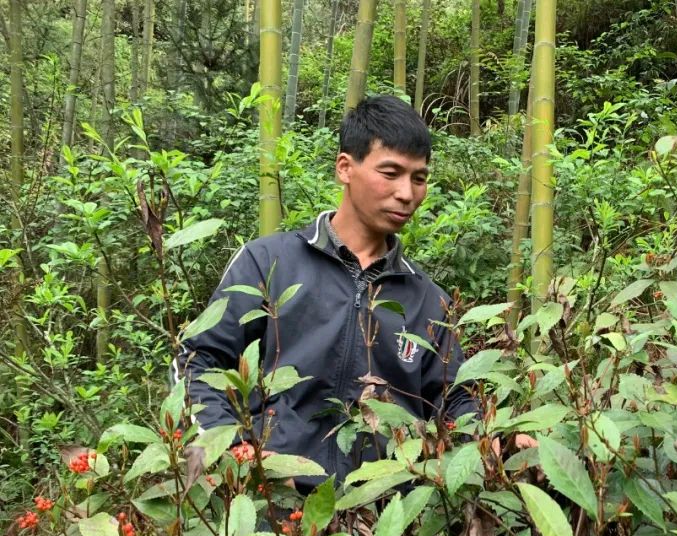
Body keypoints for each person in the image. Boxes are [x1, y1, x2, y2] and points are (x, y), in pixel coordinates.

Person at [171, 95, 478, 490]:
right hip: (274, 513)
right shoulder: (268, 263)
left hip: (388, 523)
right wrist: (236, 451)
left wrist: (499, 438)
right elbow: (197, 361)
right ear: (345, 168)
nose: (407, 193)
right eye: (391, 172)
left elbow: (454, 401)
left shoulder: (428, 299)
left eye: (418, 178)